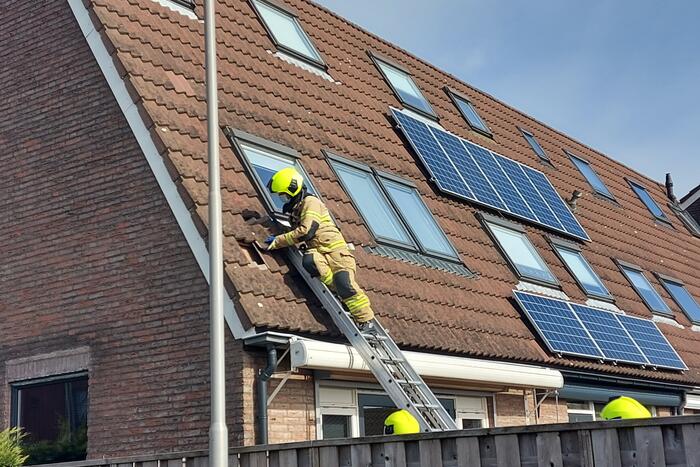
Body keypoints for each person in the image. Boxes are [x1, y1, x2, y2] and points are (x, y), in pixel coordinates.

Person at [264, 167, 376, 330]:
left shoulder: (311, 203)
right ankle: (341, 297)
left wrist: (279, 240)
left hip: (337, 253)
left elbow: (307, 230)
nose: (283, 199)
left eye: (284, 195)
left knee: (344, 283)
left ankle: (367, 320)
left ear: (293, 190)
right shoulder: (297, 209)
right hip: (319, 252)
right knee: (310, 261)